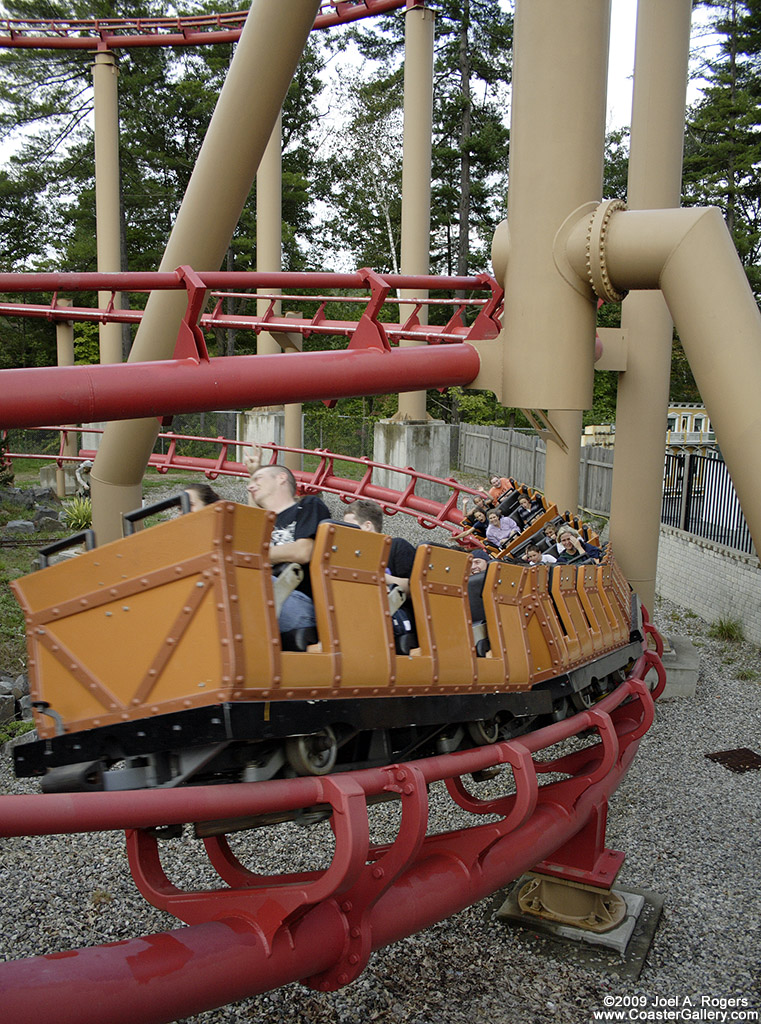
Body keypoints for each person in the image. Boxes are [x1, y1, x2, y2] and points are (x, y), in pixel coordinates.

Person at [245, 447, 331, 632]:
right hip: (265, 594)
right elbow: (251, 518)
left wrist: (251, 556)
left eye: (259, 480)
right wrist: (254, 474)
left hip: (296, 599)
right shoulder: (262, 524)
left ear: (281, 478)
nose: (250, 486)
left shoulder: (307, 506)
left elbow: (302, 551)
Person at [342, 499, 417, 646]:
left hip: (393, 615)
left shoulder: (396, 546)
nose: (345, 532)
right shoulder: (349, 556)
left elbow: (413, 588)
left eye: (349, 526)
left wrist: (378, 577)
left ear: (367, 526)